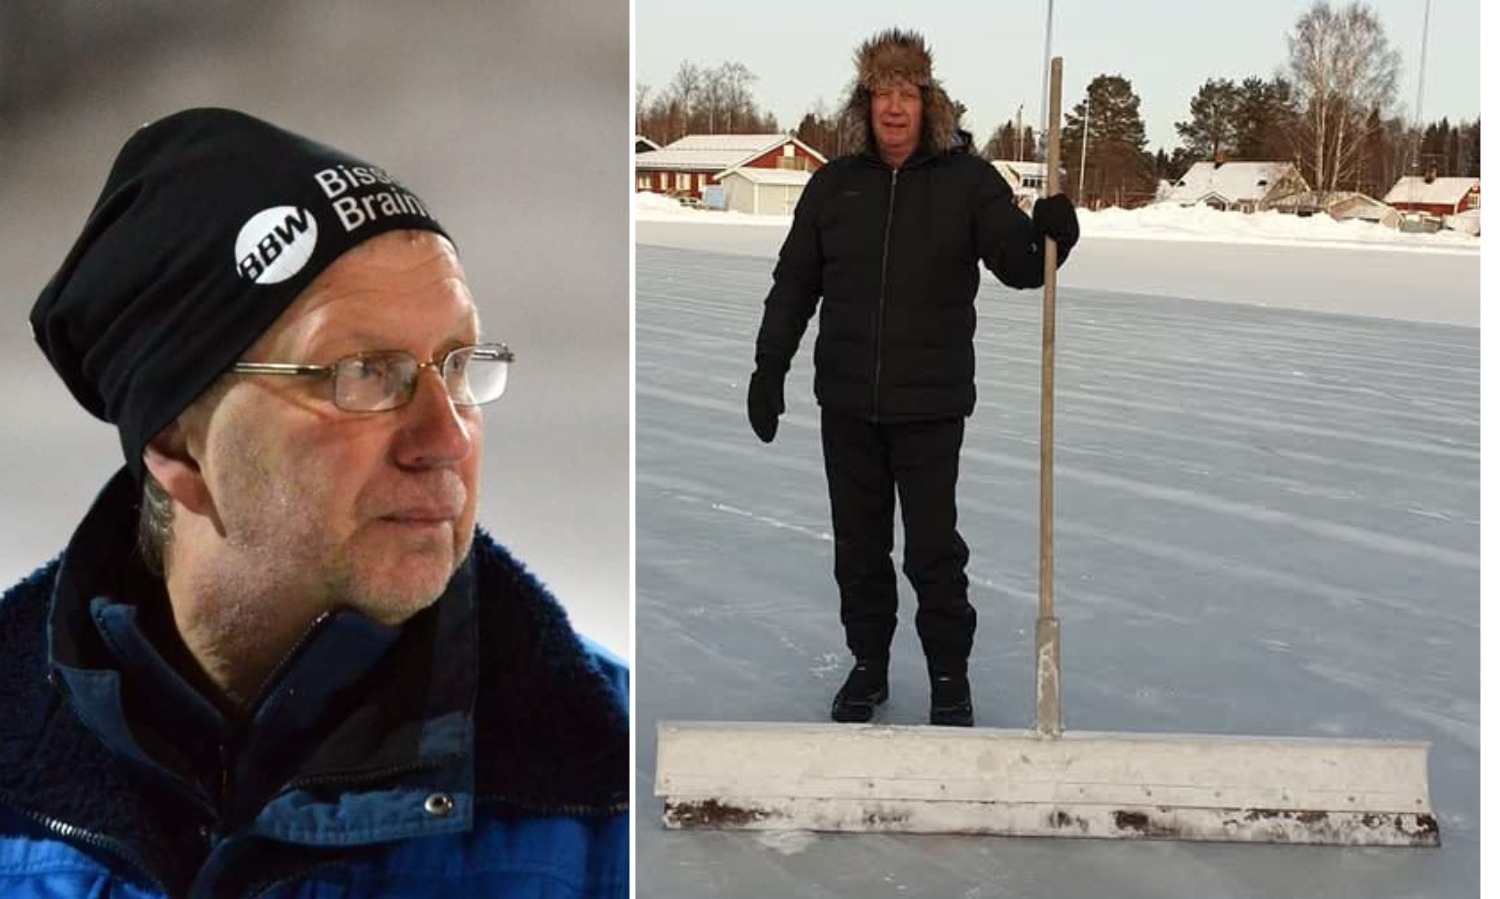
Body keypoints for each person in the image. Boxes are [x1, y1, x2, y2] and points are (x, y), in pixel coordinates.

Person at [0, 109, 627, 897]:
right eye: (363, 372)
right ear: (179, 442)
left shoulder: (613, 791)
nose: (446, 436)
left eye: (458, 365)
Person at [747, 29, 1080, 728]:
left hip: (930, 406)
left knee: (933, 551)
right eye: (881, 94)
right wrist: (769, 365)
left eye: (906, 93)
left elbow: (1020, 265)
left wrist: (1054, 232)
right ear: (863, 103)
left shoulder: (968, 182)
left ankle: (949, 677)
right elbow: (793, 284)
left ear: (926, 102)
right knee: (859, 551)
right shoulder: (833, 186)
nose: (893, 107)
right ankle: (867, 666)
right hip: (847, 403)